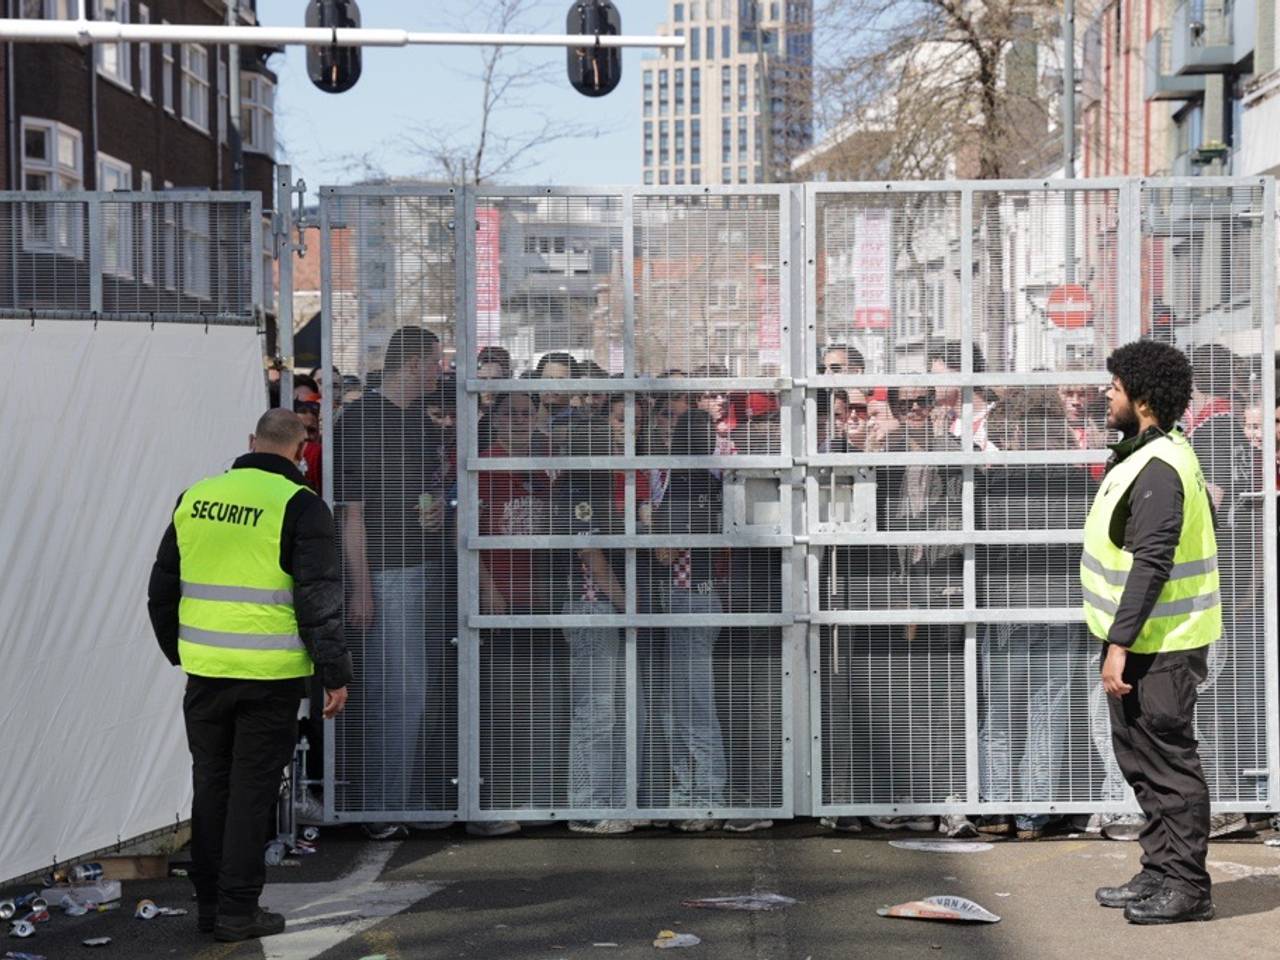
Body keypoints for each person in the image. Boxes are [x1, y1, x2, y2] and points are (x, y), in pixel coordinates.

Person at [146, 409, 352, 943]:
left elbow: (161, 589)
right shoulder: (301, 505)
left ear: (251, 441)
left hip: (206, 673)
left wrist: (181, 652)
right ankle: (238, 910)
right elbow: (320, 602)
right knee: (251, 793)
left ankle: (210, 906)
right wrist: (335, 675)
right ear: (301, 451)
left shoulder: (196, 497)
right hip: (269, 676)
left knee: (211, 784)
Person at [1084, 341, 1220, 924]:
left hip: (1159, 644)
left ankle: (1187, 887)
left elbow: (1153, 563)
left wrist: (1120, 645)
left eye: (1114, 388)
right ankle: (1160, 869)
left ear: (1141, 400)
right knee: (1141, 761)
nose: (1105, 394)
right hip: (1145, 639)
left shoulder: (1159, 468)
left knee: (1168, 766)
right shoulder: (1147, 454)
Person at [333, 326, 450, 839]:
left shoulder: (421, 422)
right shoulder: (359, 420)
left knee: (418, 693)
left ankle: (406, 796)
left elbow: (431, 491)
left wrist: (437, 512)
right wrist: (362, 586)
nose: (441, 372)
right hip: (387, 575)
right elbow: (351, 513)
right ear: (414, 363)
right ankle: (381, 805)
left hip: (424, 570)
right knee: (395, 693)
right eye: (436, 362)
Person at [977, 389, 1095, 840]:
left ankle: (995, 807)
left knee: (1000, 714)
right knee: (1049, 712)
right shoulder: (1080, 483)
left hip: (1006, 610)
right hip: (1062, 609)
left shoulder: (997, 482)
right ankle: (1033, 812)